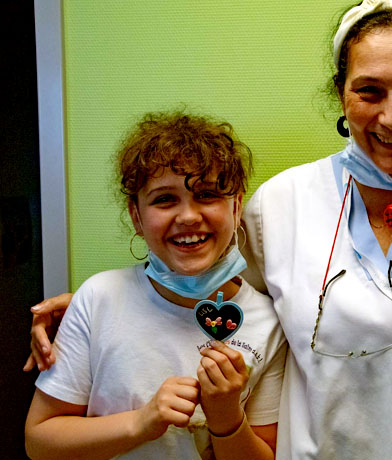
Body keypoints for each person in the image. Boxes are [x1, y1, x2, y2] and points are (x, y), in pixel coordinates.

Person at [26, 1, 392, 458]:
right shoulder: (282, 201)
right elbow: (210, 284)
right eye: (369, 91)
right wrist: (97, 308)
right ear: (341, 96)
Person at [25, 112, 287, 459]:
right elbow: (39, 441)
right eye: (164, 199)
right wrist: (142, 422)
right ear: (136, 216)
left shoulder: (268, 323)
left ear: (237, 207)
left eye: (208, 194)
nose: (189, 217)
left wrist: (227, 417)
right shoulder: (98, 299)